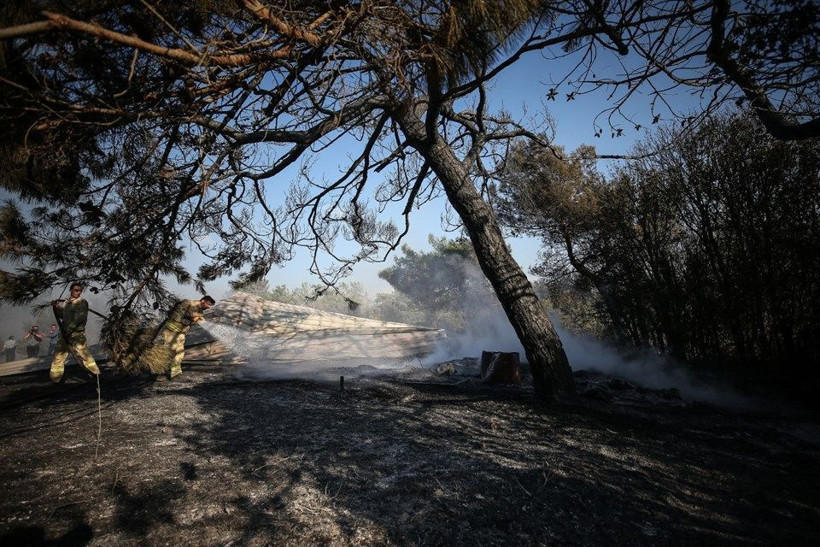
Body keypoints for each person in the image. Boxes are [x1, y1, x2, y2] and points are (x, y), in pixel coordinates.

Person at [50, 282, 100, 383]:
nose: (78, 292)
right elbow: (63, 316)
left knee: (84, 355)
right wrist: (57, 308)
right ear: (71, 290)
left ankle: (97, 375)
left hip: (77, 334)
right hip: (65, 334)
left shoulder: (81, 302)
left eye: (80, 291)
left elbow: (80, 319)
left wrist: (69, 330)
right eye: (76, 290)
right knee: (59, 355)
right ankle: (55, 379)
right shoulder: (67, 302)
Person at [157, 295, 215, 381]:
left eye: (210, 305)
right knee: (169, 352)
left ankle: (175, 373)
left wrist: (199, 321)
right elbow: (180, 314)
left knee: (180, 353)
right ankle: (160, 373)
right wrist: (192, 317)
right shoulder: (189, 303)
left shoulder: (200, 312)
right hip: (171, 331)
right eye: (209, 304)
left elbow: (194, 319)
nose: (209, 307)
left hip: (181, 333)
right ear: (203, 301)